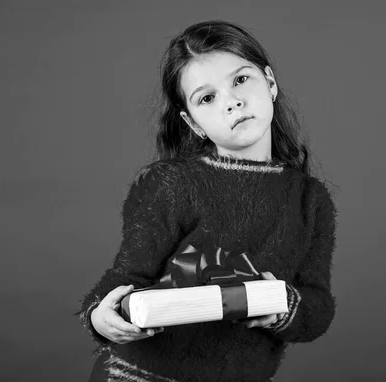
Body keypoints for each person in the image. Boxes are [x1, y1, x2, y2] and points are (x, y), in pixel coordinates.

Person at [75, 20, 338, 382]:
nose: (232, 102)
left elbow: (318, 307)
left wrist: (282, 305)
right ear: (193, 122)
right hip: (137, 375)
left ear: (270, 83)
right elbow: (125, 276)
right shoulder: (171, 184)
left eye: (241, 80)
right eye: (207, 98)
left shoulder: (312, 200)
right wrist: (98, 316)